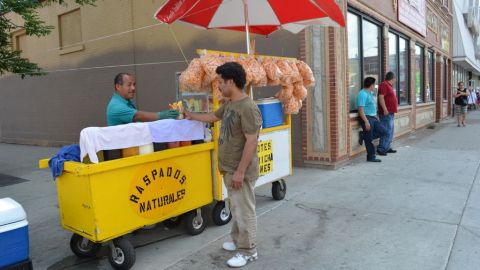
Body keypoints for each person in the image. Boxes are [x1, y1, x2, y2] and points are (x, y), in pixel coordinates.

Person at [185, 62, 262, 268]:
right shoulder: (229, 104)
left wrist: (240, 171)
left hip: (240, 171)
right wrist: (192, 116)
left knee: (244, 210)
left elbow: (251, 141)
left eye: (220, 81)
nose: (218, 85)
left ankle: (248, 251)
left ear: (231, 81)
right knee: (236, 208)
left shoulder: (248, 107)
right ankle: (238, 241)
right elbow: (212, 116)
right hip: (229, 168)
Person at [106, 73, 179, 126]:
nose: (133, 88)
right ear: (118, 86)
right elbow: (138, 116)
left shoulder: (125, 101)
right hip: (122, 146)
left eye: (134, 84)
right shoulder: (116, 106)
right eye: (129, 85)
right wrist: (163, 115)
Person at [357, 77, 387, 162]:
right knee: (369, 139)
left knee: (384, 131)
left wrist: (376, 115)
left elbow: (372, 106)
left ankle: (364, 135)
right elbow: (360, 109)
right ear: (371, 85)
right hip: (366, 117)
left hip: (373, 117)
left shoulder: (370, 93)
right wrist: (366, 121)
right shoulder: (362, 94)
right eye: (374, 84)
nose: (375, 86)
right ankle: (371, 157)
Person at [377, 71, 398, 156]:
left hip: (391, 113)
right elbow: (381, 97)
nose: (395, 80)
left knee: (390, 131)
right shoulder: (384, 85)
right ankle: (381, 148)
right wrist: (385, 109)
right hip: (386, 113)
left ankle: (387, 147)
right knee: (386, 131)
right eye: (394, 79)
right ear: (393, 78)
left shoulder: (389, 85)